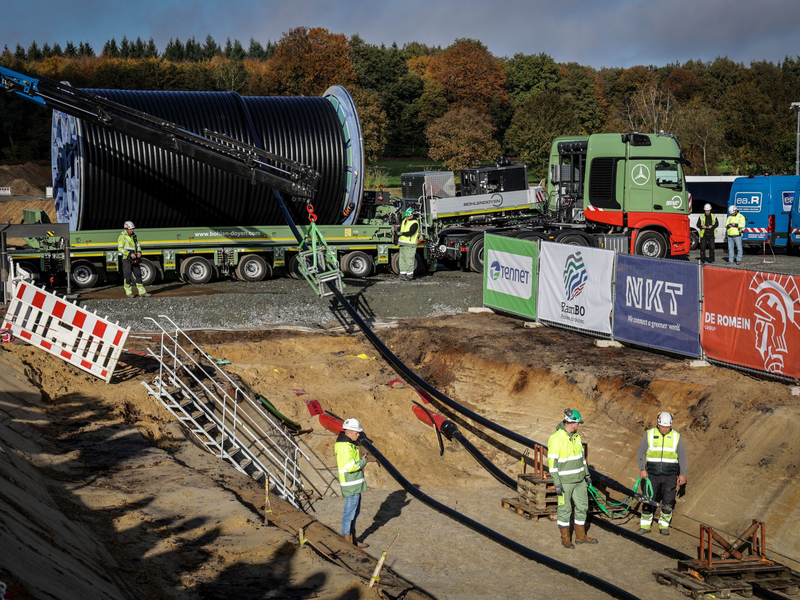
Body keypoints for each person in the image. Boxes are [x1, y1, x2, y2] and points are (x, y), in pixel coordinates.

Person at [547, 408, 597, 549]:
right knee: (565, 509)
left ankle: (580, 537)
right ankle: (565, 539)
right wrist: (557, 483)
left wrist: (586, 475)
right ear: (571, 422)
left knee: (582, 507)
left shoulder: (577, 437)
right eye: (577, 423)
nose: (578, 425)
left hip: (580, 480)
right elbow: (552, 464)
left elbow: (581, 459)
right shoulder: (556, 439)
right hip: (565, 482)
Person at [637, 411, 687, 536]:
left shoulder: (676, 436)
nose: (665, 429)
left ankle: (664, 526)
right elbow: (641, 453)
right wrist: (642, 469)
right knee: (648, 499)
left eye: (667, 427)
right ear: (658, 424)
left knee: (668, 500)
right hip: (652, 474)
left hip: (670, 475)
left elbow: (682, 457)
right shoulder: (649, 434)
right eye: (663, 426)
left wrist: (683, 473)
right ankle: (645, 525)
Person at [335, 418, 369, 548]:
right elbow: (350, 467)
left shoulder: (349, 445)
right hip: (350, 485)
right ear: (349, 432)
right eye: (357, 432)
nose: (358, 434)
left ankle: (352, 540)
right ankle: (347, 541)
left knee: (354, 512)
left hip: (354, 484)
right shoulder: (344, 447)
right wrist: (362, 462)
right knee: (349, 513)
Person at [117, 221, 148, 298]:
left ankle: (142, 292)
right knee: (127, 275)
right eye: (131, 229)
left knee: (138, 274)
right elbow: (120, 248)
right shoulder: (122, 236)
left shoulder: (134, 236)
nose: (132, 230)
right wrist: (129, 254)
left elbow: (138, 245)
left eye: (133, 229)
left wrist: (139, 252)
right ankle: (128, 293)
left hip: (135, 257)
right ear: (126, 229)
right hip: (126, 258)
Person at [397, 207, 419, 281]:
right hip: (402, 243)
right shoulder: (404, 221)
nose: (406, 217)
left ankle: (409, 275)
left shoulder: (415, 223)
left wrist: (401, 233)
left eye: (408, 216)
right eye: (406, 216)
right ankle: (402, 274)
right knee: (402, 259)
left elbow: (411, 232)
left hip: (410, 244)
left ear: (412, 215)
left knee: (409, 259)